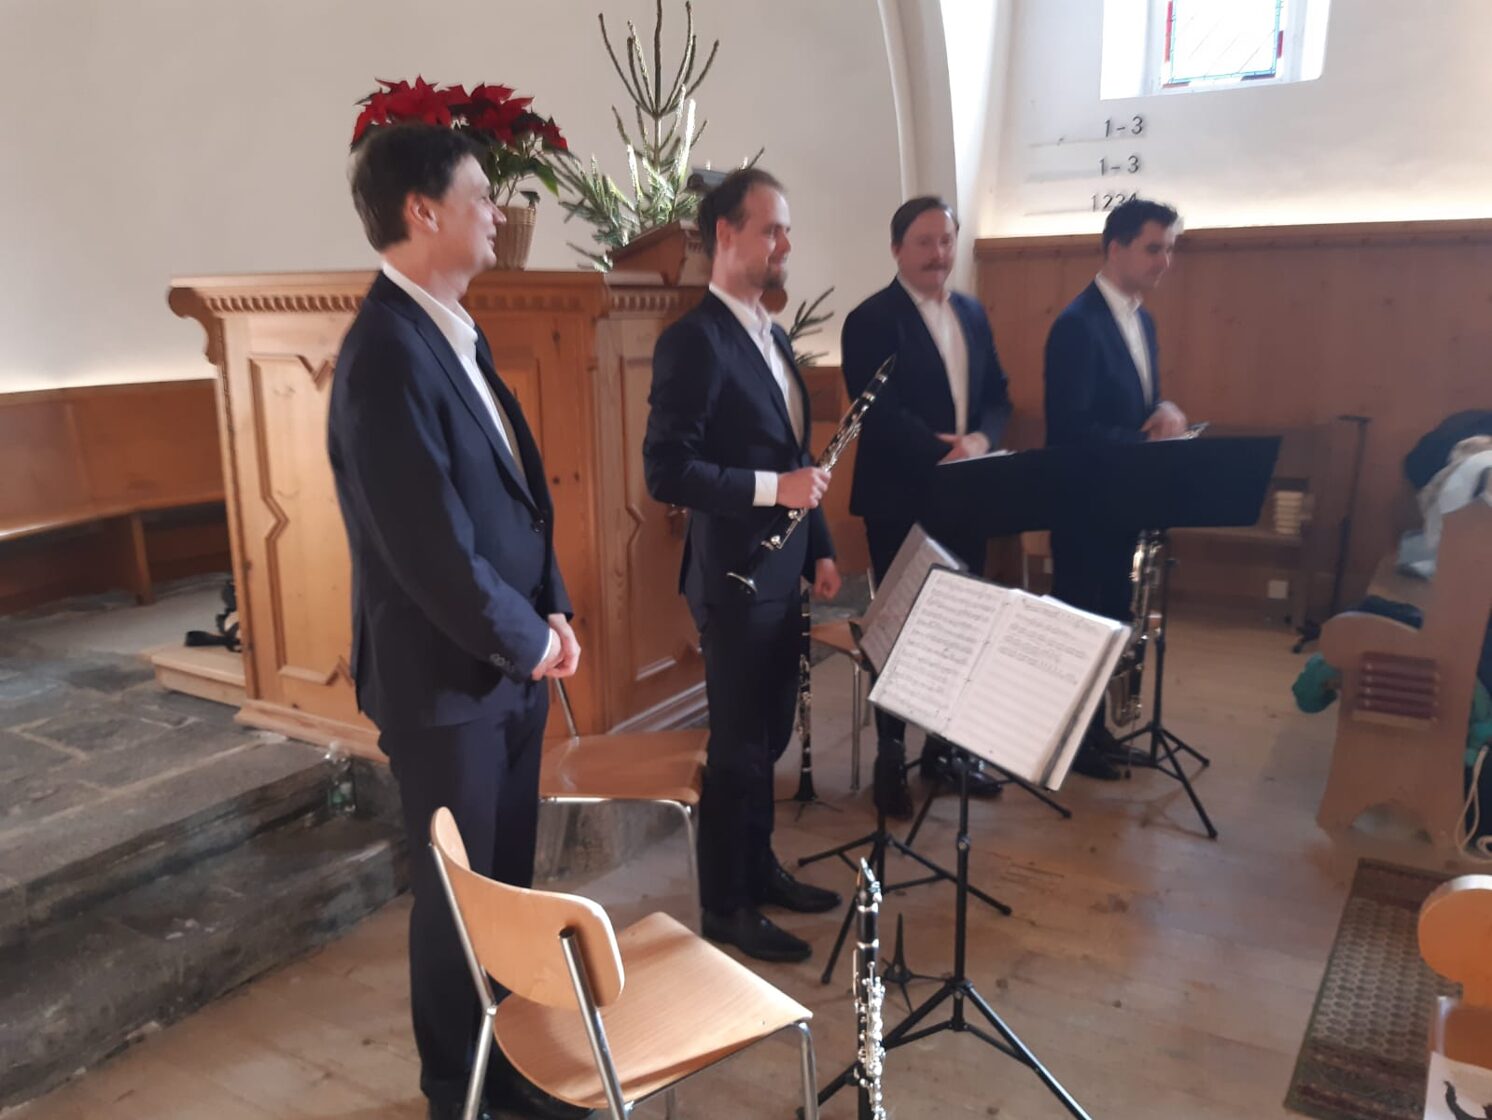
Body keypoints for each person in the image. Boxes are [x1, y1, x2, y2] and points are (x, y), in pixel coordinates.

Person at [326, 123, 585, 1120]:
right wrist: (532, 639)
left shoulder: (450, 329)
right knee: (457, 904)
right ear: (421, 210)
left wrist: (551, 605)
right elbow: (431, 550)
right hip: (444, 685)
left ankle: (507, 1070)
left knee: (504, 896)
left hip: (502, 670)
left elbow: (518, 498)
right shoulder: (384, 357)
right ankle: (457, 1093)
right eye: (481, 194)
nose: (497, 212)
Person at [644, 167, 843, 963]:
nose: (785, 242)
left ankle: (758, 869)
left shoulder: (773, 335)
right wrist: (773, 490)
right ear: (725, 234)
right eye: (771, 229)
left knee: (768, 736)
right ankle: (725, 904)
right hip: (731, 576)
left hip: (782, 571)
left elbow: (798, 460)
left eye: (786, 229)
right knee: (736, 747)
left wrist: (820, 547)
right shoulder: (692, 341)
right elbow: (667, 471)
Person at [841, 196, 1013, 818]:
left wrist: (982, 441)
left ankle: (944, 750)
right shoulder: (870, 319)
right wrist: (944, 450)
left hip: (968, 492)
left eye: (946, 241)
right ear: (896, 249)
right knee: (899, 629)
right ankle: (891, 755)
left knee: (959, 625)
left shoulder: (971, 311)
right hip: (900, 497)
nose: (938, 253)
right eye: (923, 242)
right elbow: (877, 412)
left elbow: (998, 394)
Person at [1044, 196, 1189, 780]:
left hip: (1123, 500)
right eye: (1154, 248)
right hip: (1084, 504)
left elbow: (1134, 404)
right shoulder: (1077, 325)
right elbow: (1071, 429)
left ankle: (1097, 733)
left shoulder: (1141, 319)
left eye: (1169, 250)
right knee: (1082, 622)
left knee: (1112, 619)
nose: (1164, 261)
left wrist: (1165, 409)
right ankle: (1070, 743)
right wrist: (1141, 439)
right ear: (1116, 248)